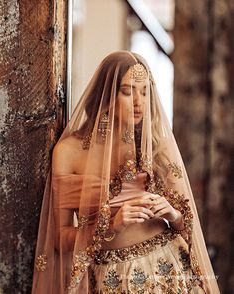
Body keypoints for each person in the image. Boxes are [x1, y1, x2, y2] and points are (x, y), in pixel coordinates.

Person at [32, 51, 220, 293]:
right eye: (128, 91)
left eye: (145, 91)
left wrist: (172, 214)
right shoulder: (69, 151)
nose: (139, 102)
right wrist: (112, 225)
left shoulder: (154, 144)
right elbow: (59, 240)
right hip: (112, 278)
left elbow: (187, 223)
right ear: (106, 94)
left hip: (170, 268)